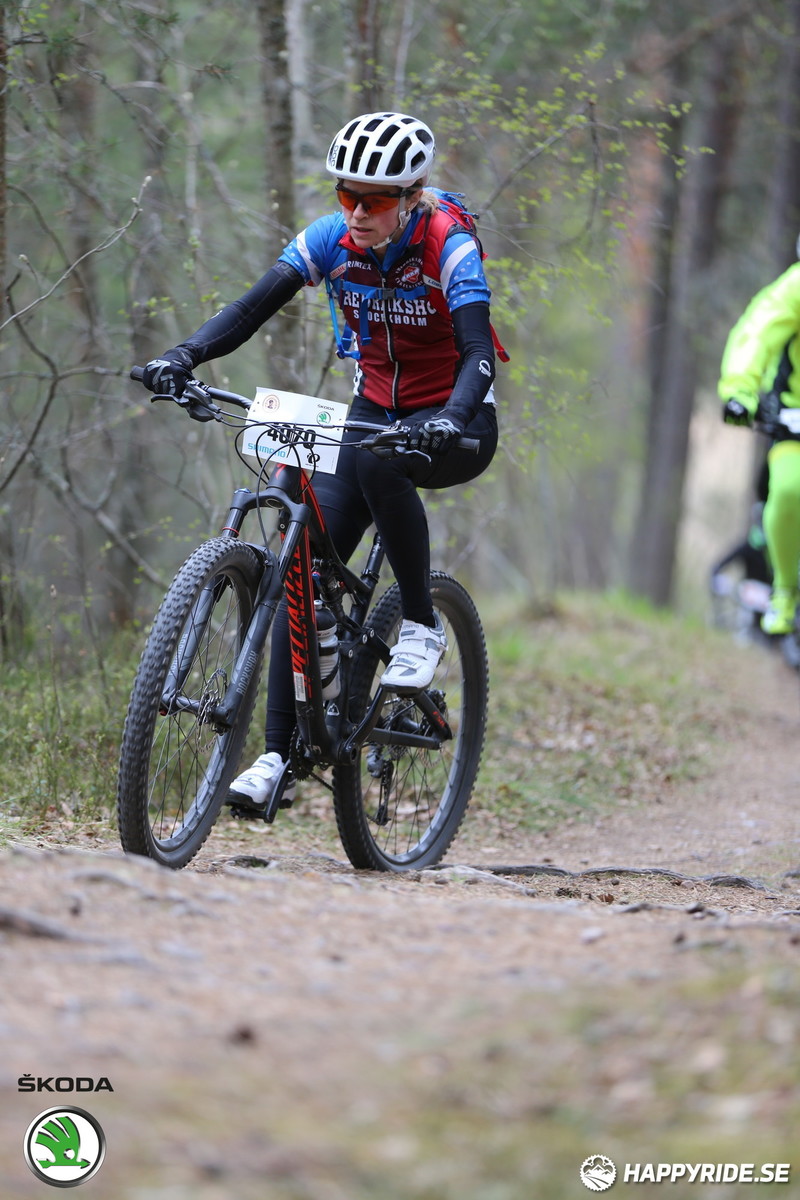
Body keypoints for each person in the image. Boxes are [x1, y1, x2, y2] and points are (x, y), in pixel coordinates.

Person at [142, 111, 501, 809]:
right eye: (346, 196)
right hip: (371, 410)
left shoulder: (449, 246)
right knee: (299, 559)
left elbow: (479, 353)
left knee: (378, 463)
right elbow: (248, 311)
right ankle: (277, 755)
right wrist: (182, 355)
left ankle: (422, 625)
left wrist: (451, 418)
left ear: (410, 197)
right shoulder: (330, 241)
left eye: (374, 200)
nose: (358, 213)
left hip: (456, 421)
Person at [719, 246, 800, 637]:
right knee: (787, 490)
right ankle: (784, 589)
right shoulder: (795, 286)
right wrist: (740, 390)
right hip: (794, 422)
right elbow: (757, 333)